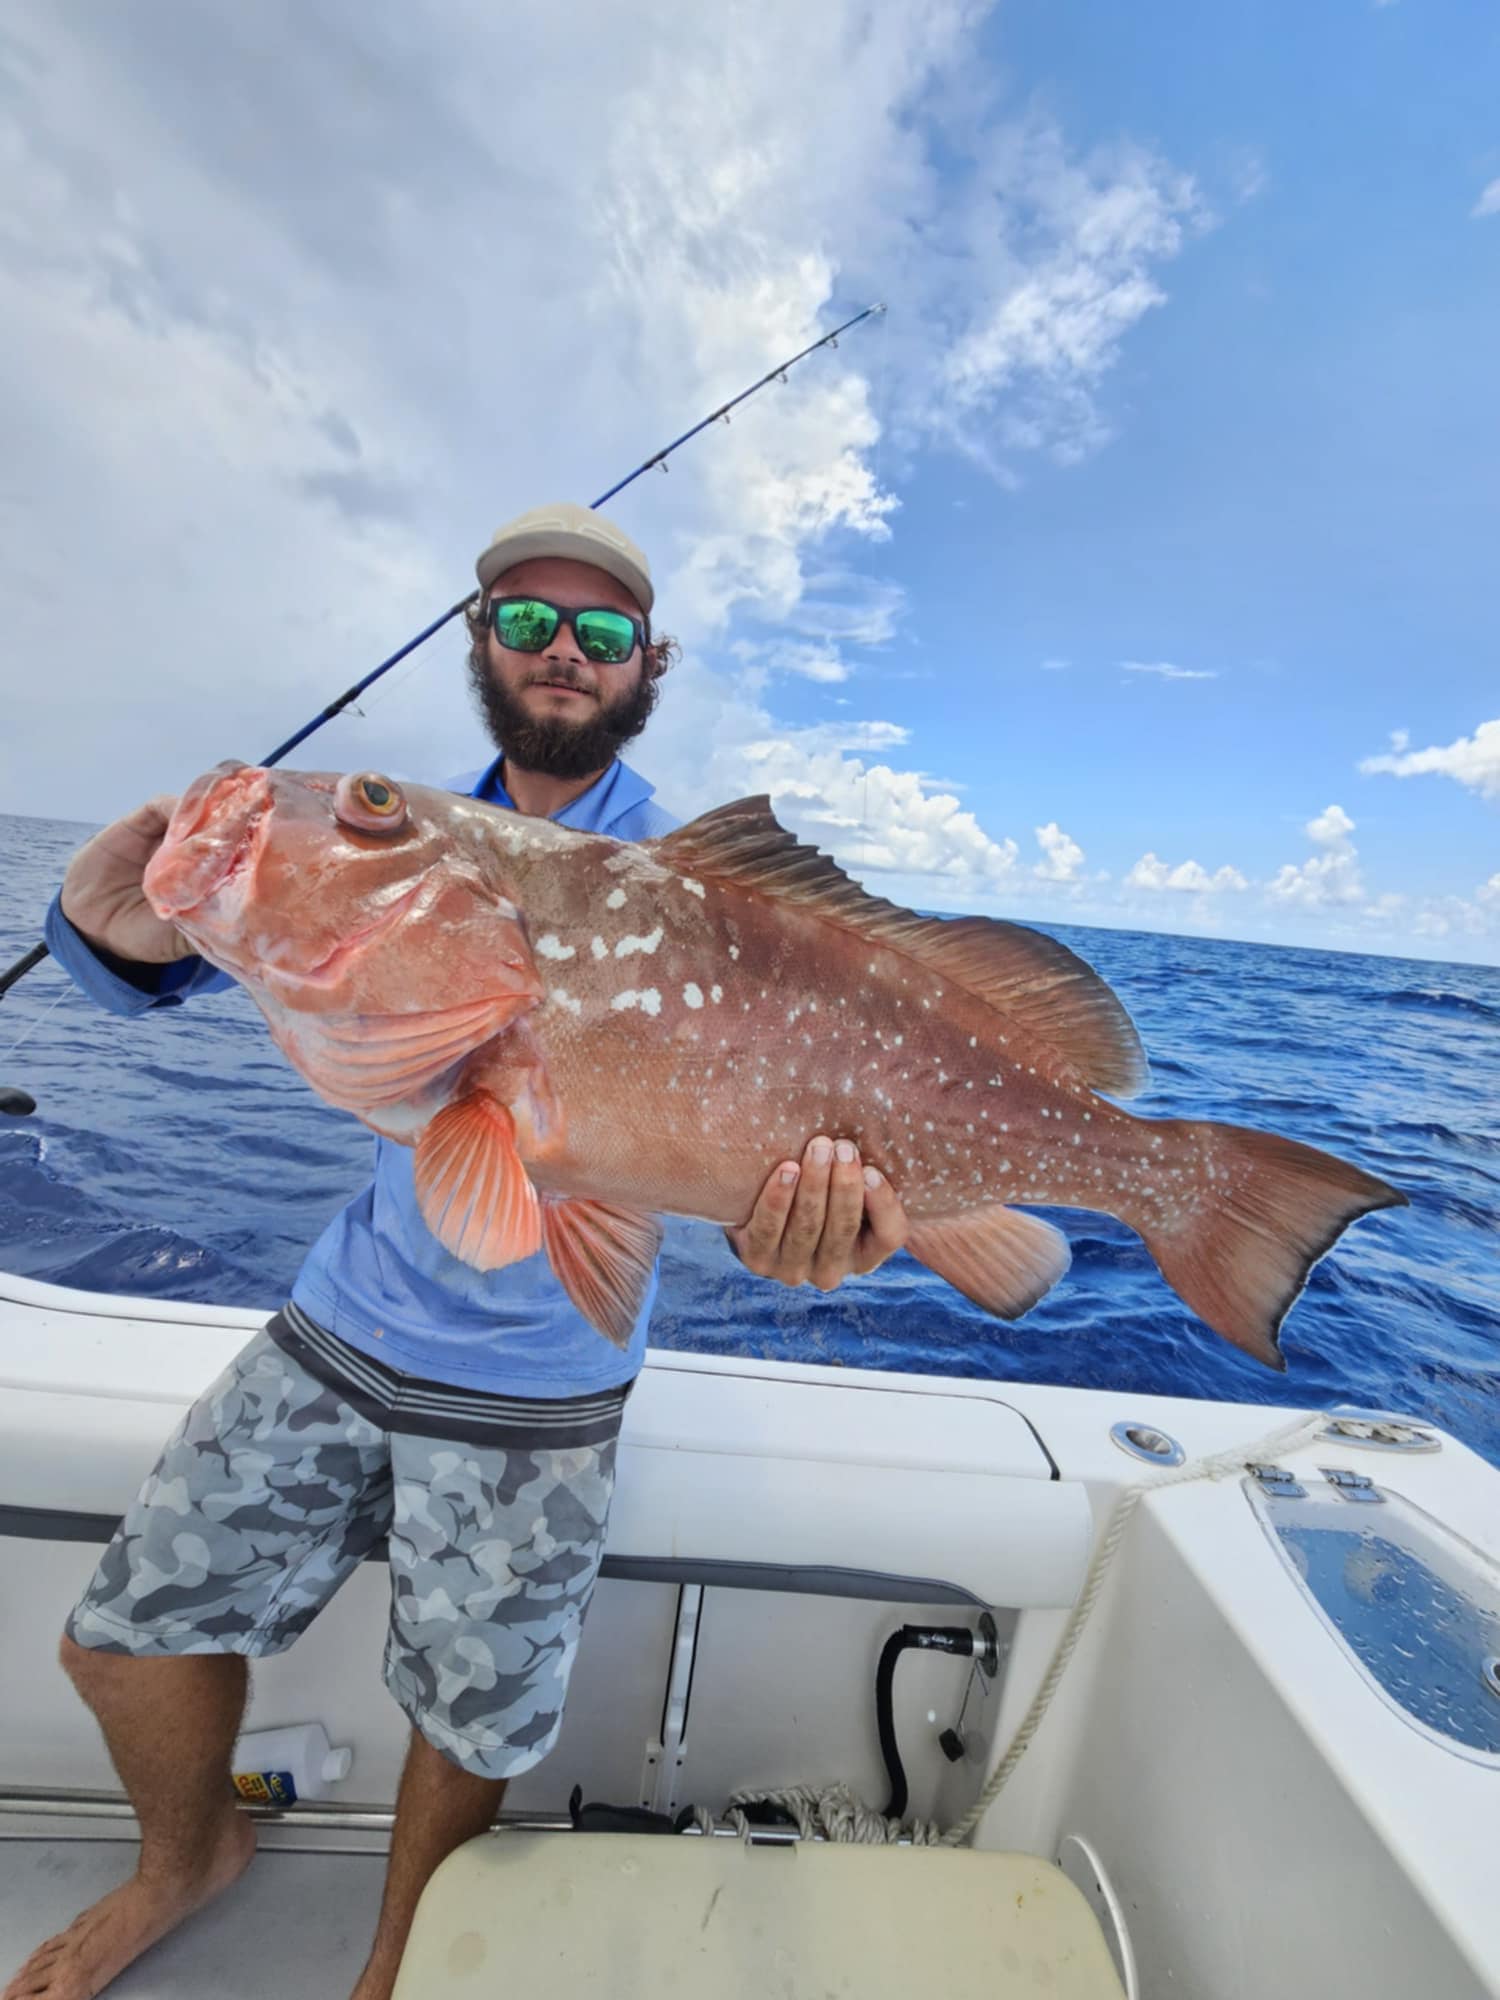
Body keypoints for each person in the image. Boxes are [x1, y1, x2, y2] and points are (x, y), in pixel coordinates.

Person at [4, 503, 910, 2000]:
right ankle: (186, 1861)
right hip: (339, 1327)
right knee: (122, 1636)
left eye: (603, 631)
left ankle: (396, 1969)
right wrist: (113, 927)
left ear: (648, 664)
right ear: (477, 637)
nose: (566, 650)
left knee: (469, 1722)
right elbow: (157, 988)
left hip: (540, 1383)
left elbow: (757, 1180)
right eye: (530, 619)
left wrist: (817, 1233)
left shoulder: (687, 885)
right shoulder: (416, 840)